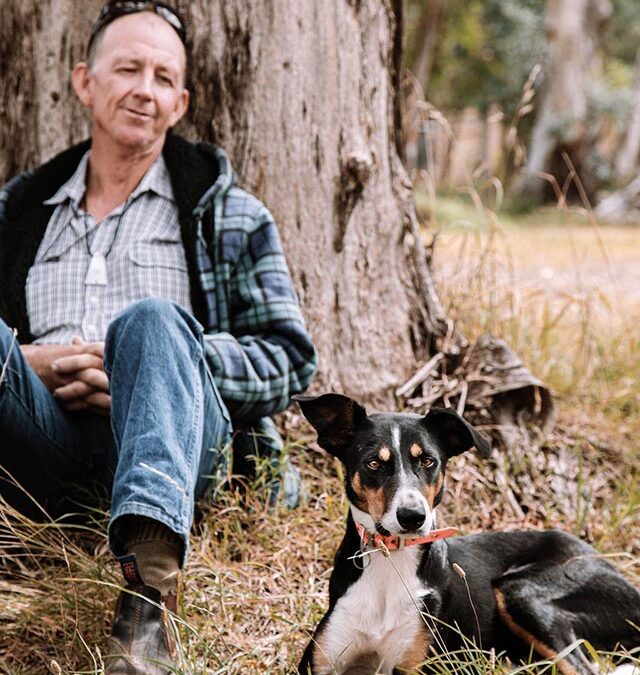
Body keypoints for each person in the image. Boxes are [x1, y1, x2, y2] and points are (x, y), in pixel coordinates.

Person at [0, 1, 317, 672]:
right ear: (86, 82)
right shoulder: (20, 210)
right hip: (40, 438)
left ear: (180, 102)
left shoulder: (227, 212)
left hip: (172, 449)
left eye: (163, 77)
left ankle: (145, 607)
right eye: (128, 69)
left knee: (150, 320)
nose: (145, 88)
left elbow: (290, 357)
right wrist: (29, 360)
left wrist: (159, 367)